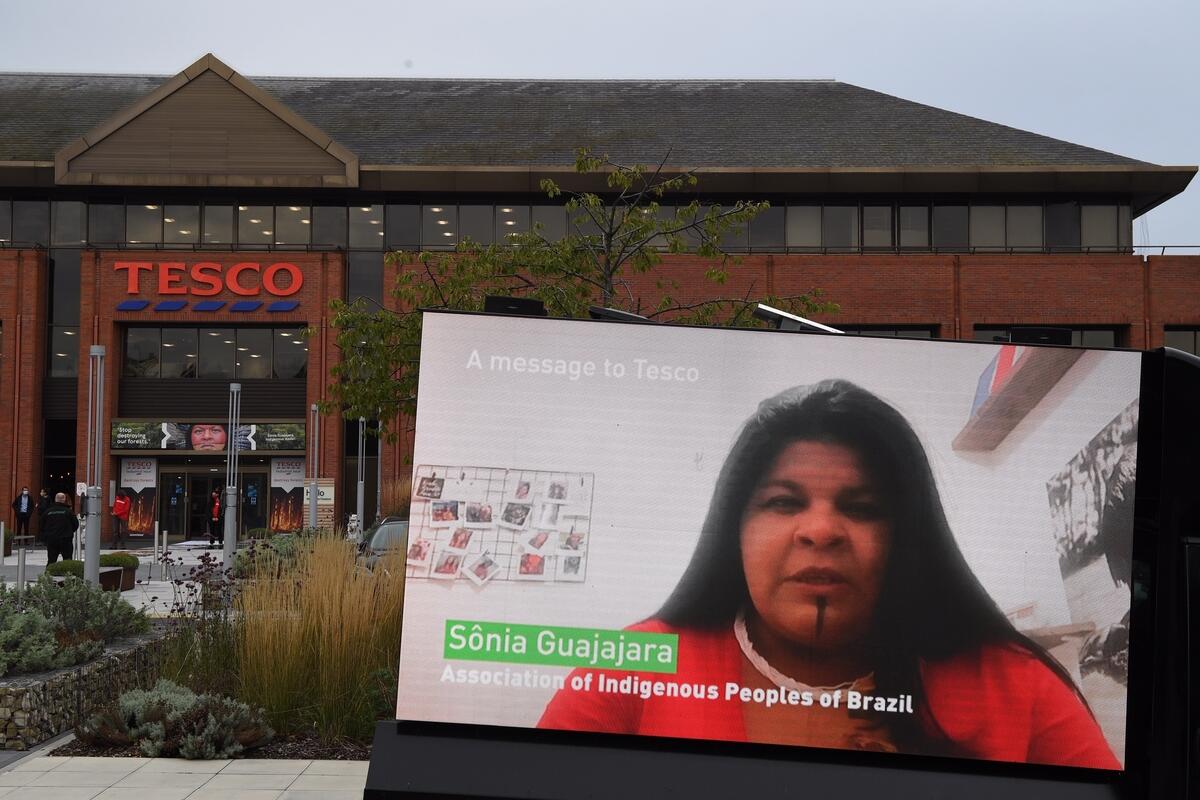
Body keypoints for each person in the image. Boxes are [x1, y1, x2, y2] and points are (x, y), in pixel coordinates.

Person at [538, 380, 1120, 769]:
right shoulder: (624, 670)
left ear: (906, 538)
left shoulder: (1018, 688)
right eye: (784, 502)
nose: (821, 531)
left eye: (863, 509)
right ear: (733, 529)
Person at [41, 491, 78, 564]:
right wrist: (69, 531)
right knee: (67, 560)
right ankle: (68, 574)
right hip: (66, 539)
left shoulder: (48, 511)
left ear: (55, 499)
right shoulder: (68, 511)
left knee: (51, 560)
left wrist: (46, 534)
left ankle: (48, 574)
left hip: (51, 539)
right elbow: (75, 524)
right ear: (64, 500)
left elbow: (42, 524)